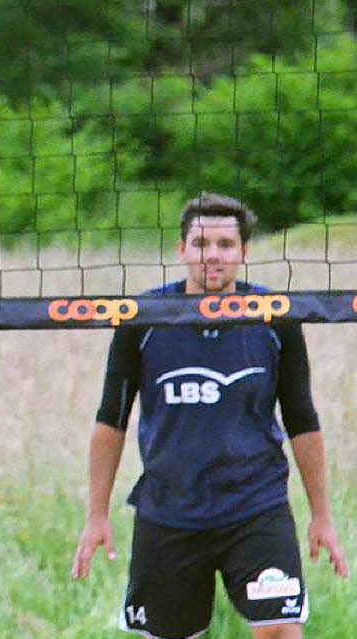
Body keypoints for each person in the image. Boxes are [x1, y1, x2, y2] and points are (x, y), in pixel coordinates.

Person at [70, 192, 348, 639]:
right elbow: (111, 419)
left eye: (225, 245)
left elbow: (302, 419)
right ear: (182, 250)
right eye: (201, 244)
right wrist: (96, 515)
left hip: (256, 508)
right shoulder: (142, 318)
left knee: (279, 629)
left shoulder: (275, 317)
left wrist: (322, 516)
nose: (212, 256)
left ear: (243, 253)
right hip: (169, 511)